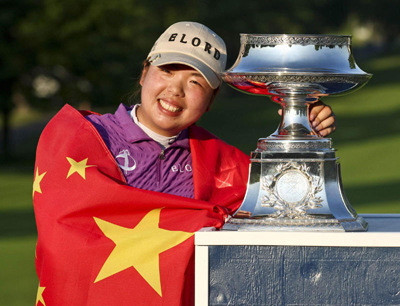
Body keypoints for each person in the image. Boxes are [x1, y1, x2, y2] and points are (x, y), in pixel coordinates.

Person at [33, 21, 336, 306]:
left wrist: (299, 128)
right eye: (167, 70)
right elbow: (67, 240)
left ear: (211, 99)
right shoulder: (81, 140)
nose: (176, 90)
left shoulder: (221, 163)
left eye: (195, 82)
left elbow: (292, 206)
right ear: (144, 73)